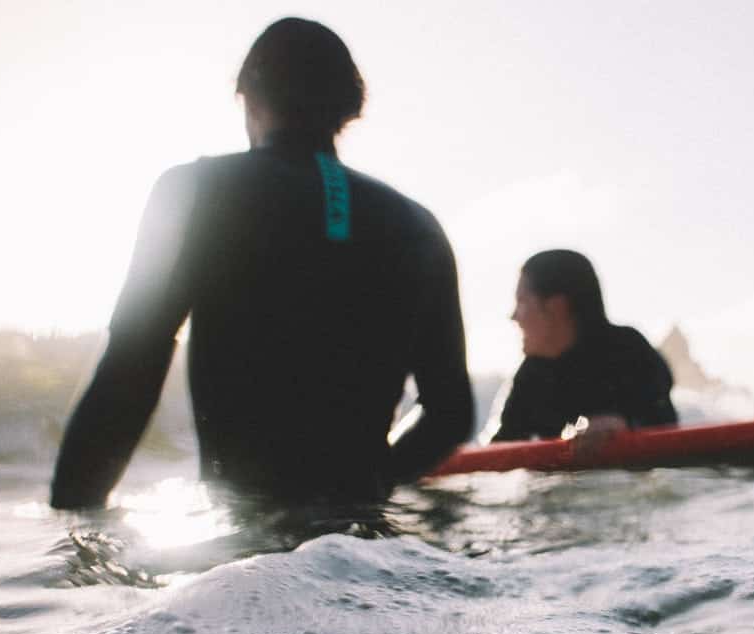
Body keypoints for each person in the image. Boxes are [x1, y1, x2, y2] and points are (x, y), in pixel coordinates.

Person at [51, 18, 473, 510]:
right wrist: (375, 483)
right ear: (347, 107)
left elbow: (131, 366)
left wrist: (71, 532)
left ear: (249, 96)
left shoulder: (197, 191)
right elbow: (450, 413)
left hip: (245, 543)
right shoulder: (418, 226)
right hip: (362, 539)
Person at [491, 249, 676, 447]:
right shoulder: (531, 375)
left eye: (522, 302)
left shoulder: (629, 352)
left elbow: (664, 424)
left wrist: (623, 426)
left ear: (556, 306)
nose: (514, 316)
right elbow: (499, 452)